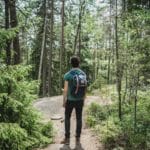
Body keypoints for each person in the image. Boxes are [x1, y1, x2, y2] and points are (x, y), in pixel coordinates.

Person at [61, 56, 87, 145]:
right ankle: (78, 138)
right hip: (80, 99)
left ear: (71, 63)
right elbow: (85, 87)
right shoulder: (83, 74)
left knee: (67, 117)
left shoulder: (68, 75)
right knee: (79, 118)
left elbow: (65, 89)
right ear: (78, 63)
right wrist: (84, 98)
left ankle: (67, 138)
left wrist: (64, 100)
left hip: (70, 100)